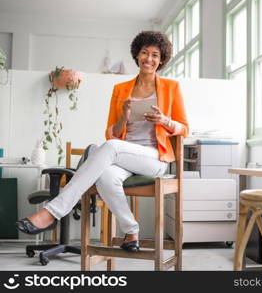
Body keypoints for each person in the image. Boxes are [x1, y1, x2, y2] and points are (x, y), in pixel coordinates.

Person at [15, 31, 189, 252]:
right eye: (145, 53)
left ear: (162, 59)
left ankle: (53, 212)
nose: (149, 59)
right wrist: (123, 117)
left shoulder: (171, 87)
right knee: (106, 176)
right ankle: (131, 230)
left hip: (154, 157)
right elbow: (112, 135)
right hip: (125, 156)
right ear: (137, 55)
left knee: (110, 148)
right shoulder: (121, 90)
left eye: (155, 54)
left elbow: (184, 128)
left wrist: (164, 120)